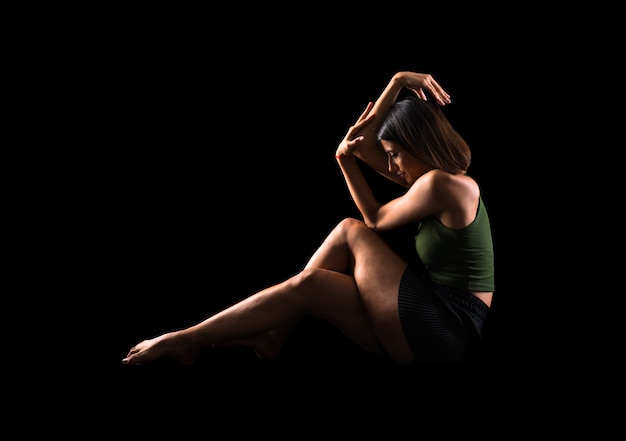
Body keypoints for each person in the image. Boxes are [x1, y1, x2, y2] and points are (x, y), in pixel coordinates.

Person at [122, 71, 495, 367]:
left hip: (448, 327)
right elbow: (364, 144)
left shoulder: (443, 185)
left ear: (417, 145)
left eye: (395, 154)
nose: (392, 166)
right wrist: (396, 83)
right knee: (314, 282)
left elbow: (376, 219)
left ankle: (187, 338)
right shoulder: (435, 181)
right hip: (433, 318)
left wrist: (346, 158)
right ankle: (257, 337)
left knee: (352, 230)